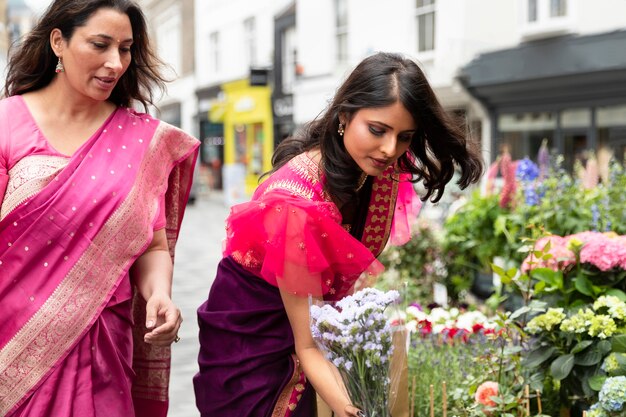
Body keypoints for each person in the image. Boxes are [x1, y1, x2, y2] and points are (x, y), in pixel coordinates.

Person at [193, 52, 483, 417]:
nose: (390, 149)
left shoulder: (381, 169)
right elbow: (309, 345)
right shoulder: (295, 204)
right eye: (377, 130)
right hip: (253, 346)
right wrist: (354, 408)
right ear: (344, 117)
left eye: (404, 136)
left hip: (312, 330)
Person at [0, 1, 199, 416]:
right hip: (9, 348)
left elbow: (152, 243)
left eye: (125, 49)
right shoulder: (6, 124)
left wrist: (159, 292)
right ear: (58, 41)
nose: (115, 63)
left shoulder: (142, 141)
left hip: (102, 354)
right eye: (100, 44)